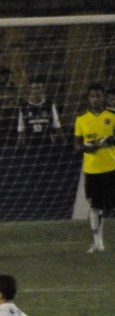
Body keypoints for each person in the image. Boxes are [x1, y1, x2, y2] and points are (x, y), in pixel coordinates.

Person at [73, 84, 115, 254]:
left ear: (103, 97)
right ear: (88, 98)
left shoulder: (112, 115)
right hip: (92, 170)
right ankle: (98, 243)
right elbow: (76, 146)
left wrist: (111, 140)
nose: (95, 99)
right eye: (92, 96)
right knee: (95, 206)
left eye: (98, 96)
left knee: (111, 205)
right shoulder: (81, 118)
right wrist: (86, 147)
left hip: (111, 167)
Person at [17, 78, 63, 145]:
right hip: (30, 143)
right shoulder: (23, 107)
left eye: (38, 88)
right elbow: (21, 126)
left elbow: (56, 124)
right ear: (30, 90)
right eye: (34, 89)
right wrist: (19, 142)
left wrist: (62, 139)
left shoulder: (49, 105)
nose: (36, 91)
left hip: (47, 142)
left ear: (43, 89)